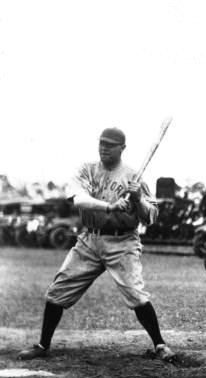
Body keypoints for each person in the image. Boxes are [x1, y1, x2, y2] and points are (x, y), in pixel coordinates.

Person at [18, 127, 176, 362]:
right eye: (102, 143)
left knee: (136, 294)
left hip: (123, 241)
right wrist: (109, 207)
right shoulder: (87, 170)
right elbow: (79, 199)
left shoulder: (134, 177)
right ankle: (43, 345)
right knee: (57, 291)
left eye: (110, 145)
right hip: (90, 239)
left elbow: (150, 217)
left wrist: (137, 199)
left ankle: (160, 345)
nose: (104, 148)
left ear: (122, 148)